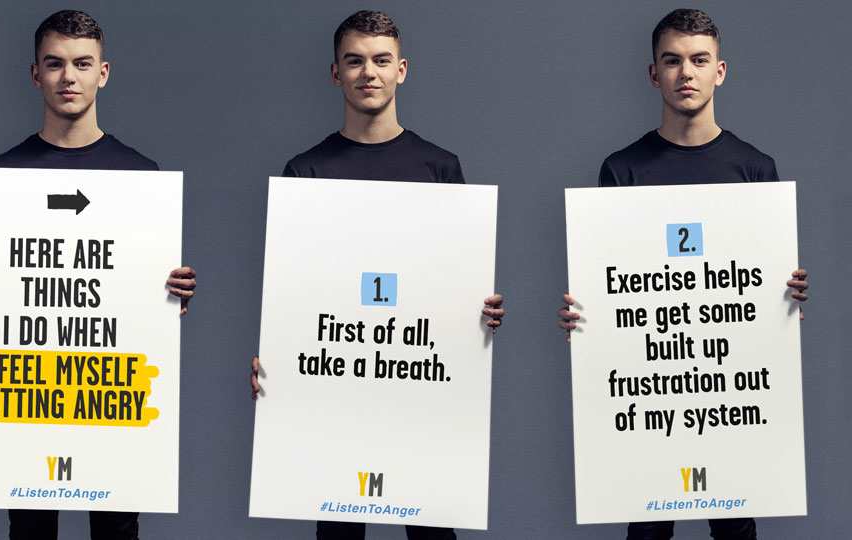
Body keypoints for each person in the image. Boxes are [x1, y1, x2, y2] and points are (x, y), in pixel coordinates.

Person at [0, 10, 196, 540]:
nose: (68, 78)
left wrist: (172, 293)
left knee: (118, 522)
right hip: (32, 388)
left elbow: (144, 296)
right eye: (54, 64)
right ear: (35, 74)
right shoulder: (0, 179)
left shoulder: (142, 178)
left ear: (104, 73)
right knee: (30, 525)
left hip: (110, 389)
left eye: (82, 64)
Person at [248, 10, 503, 540]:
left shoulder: (440, 168)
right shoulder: (306, 172)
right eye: (355, 61)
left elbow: (454, 280)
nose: (369, 72)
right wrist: (276, 354)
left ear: (402, 70)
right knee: (339, 528)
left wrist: (481, 316)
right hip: (339, 383)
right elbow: (296, 291)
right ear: (335, 73)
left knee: (432, 528)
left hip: (418, 382)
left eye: (381, 60)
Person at [557, 9, 808, 540]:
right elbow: (612, 282)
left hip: (727, 385)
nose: (685, 73)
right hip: (652, 383)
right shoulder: (622, 170)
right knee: (647, 526)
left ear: (721, 71)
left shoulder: (753, 168)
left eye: (699, 60)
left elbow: (758, 284)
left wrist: (786, 295)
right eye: (672, 61)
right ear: (654, 74)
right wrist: (587, 314)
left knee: (736, 525)